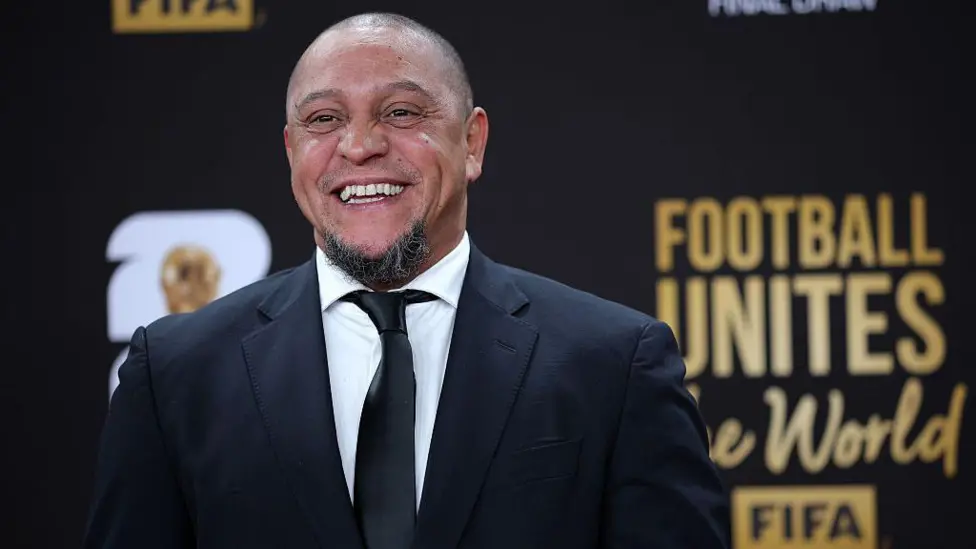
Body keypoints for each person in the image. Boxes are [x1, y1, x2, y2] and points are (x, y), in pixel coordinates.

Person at [83, 12, 731, 549]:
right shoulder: (174, 375)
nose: (359, 145)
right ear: (291, 152)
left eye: (399, 112)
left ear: (472, 142)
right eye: (323, 119)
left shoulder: (614, 364)